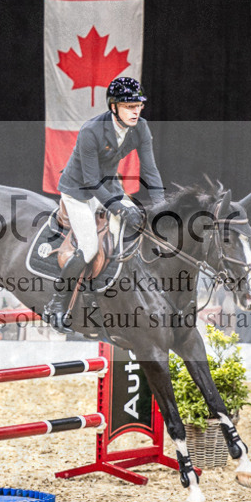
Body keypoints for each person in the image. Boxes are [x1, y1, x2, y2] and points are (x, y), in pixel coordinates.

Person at [43, 77, 166, 333]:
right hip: (78, 191)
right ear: (114, 107)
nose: (136, 111)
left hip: (109, 186)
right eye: (129, 106)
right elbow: (90, 181)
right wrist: (120, 209)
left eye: (139, 106)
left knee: (136, 230)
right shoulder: (91, 130)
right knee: (88, 248)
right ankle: (56, 305)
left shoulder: (141, 128)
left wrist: (161, 206)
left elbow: (151, 170)